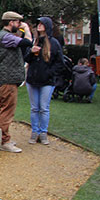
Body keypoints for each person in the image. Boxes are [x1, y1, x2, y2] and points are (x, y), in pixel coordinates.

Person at [0, 11, 33, 152]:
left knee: (3, 109)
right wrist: (27, 29)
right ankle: (4, 141)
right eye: (17, 22)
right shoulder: (6, 37)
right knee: (7, 111)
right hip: (7, 79)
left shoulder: (6, 36)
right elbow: (27, 43)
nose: (19, 25)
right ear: (11, 22)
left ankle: (0, 137)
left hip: (6, 78)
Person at [24, 17, 64, 145]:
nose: (39, 26)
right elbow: (26, 58)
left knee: (44, 108)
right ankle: (35, 131)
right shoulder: (34, 42)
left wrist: (49, 73)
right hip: (32, 80)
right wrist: (31, 52)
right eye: (38, 23)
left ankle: (43, 132)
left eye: (42, 24)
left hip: (47, 81)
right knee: (34, 108)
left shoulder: (54, 43)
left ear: (47, 26)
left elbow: (60, 63)